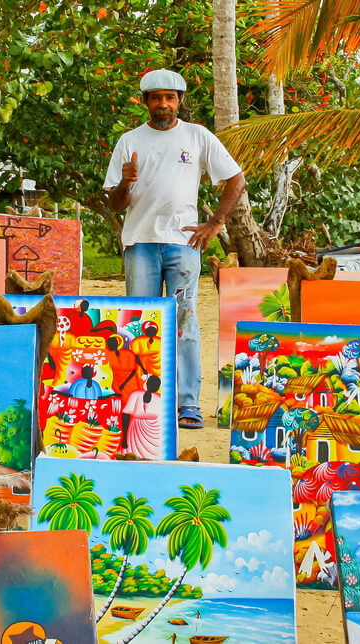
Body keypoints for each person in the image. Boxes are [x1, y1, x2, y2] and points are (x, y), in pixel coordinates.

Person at [104, 68, 246, 429]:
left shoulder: (197, 136)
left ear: (180, 100)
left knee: (185, 324)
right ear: (145, 102)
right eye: (156, 97)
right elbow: (116, 203)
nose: (163, 104)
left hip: (183, 245)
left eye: (170, 97)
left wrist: (215, 223)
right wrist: (125, 183)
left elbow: (235, 178)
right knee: (138, 324)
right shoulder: (129, 140)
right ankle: (139, 402)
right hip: (139, 244)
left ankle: (187, 405)